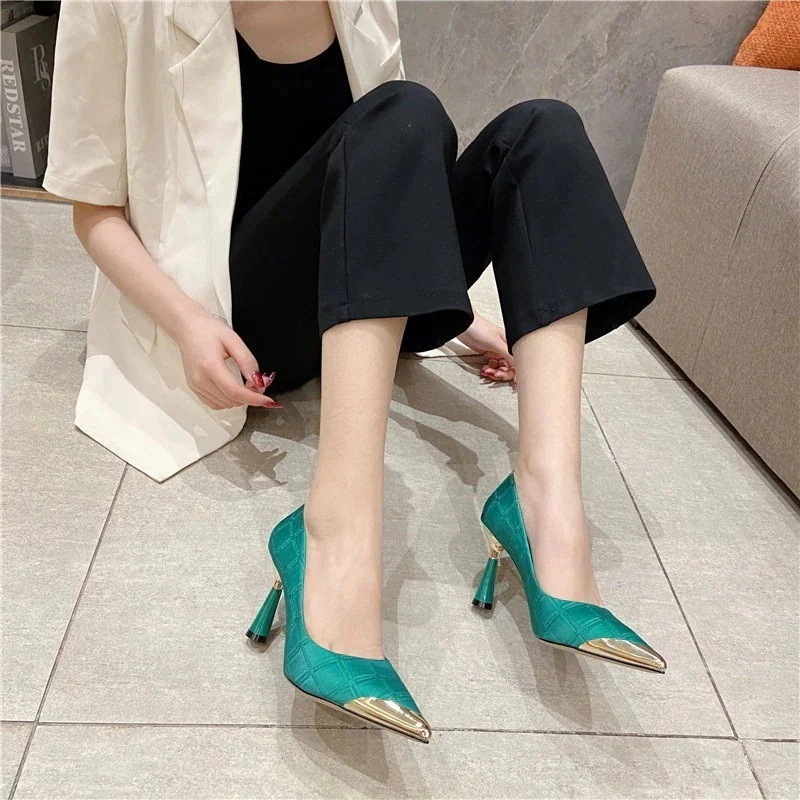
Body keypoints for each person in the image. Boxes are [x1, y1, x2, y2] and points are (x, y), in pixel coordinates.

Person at [43, 0, 665, 746]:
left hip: (351, 301)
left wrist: (462, 321)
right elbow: (92, 208)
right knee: (406, 109)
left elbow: (389, 182)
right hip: (232, 315)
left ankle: (545, 505)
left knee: (544, 130)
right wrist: (185, 323)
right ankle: (333, 534)